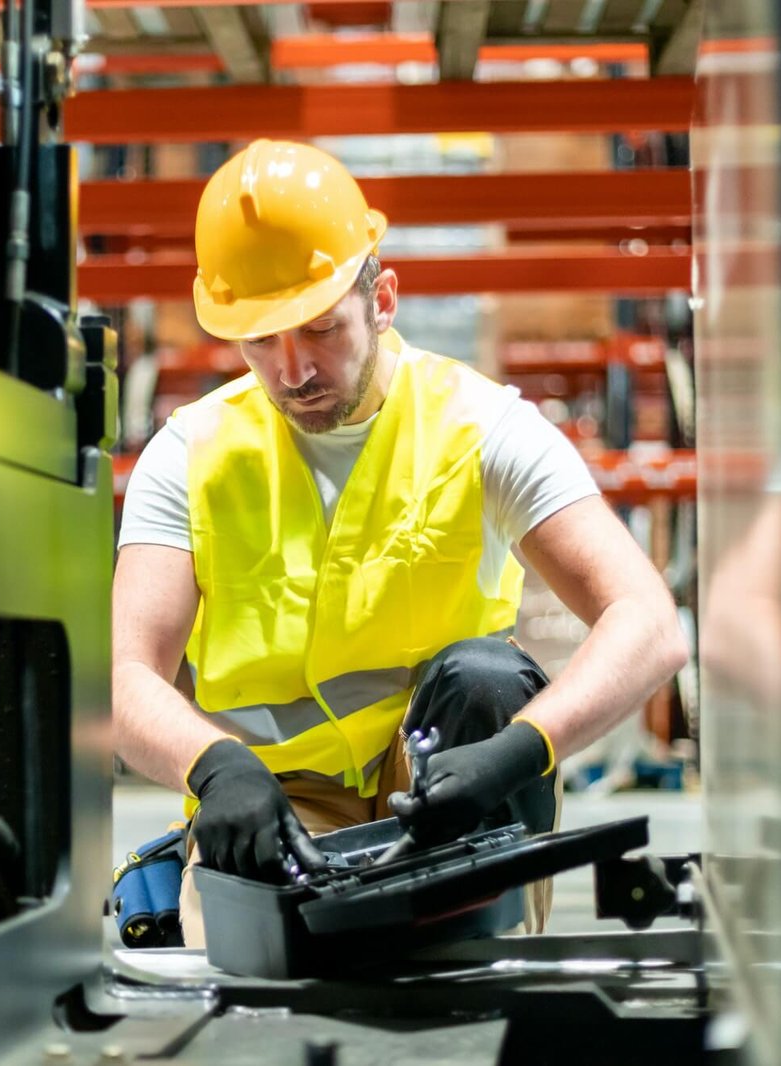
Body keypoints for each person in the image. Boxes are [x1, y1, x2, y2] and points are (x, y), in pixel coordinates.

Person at [112, 139, 688, 945]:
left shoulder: (483, 427)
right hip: (273, 806)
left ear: (381, 299)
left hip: (446, 790)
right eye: (260, 341)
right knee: (258, 979)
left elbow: (650, 623)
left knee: (488, 679)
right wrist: (212, 764)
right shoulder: (189, 454)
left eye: (320, 329)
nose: (292, 371)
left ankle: (481, 945)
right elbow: (124, 676)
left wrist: (521, 750)